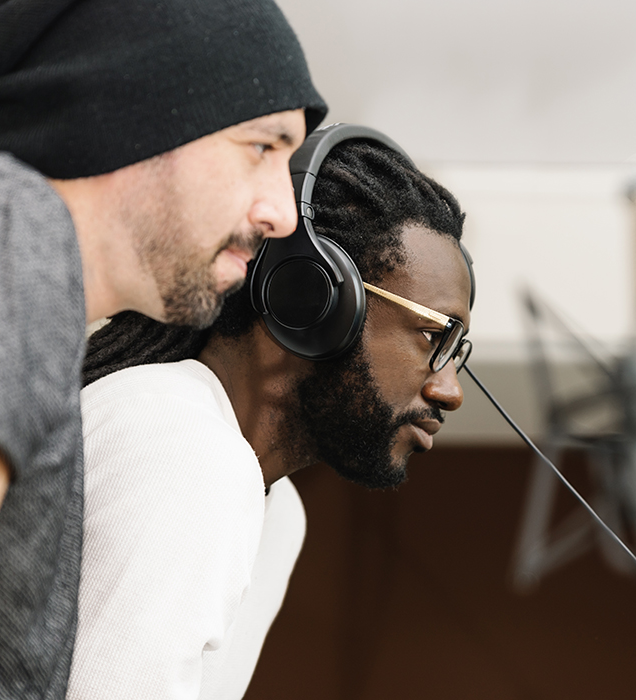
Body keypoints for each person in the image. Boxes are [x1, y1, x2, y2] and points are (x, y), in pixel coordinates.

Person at [0, 1, 326, 697]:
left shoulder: (18, 267)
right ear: (137, 110)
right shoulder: (6, 232)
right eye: (261, 146)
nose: (282, 212)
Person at [72, 132, 474, 699]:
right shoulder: (178, 442)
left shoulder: (276, 510)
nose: (449, 390)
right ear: (310, 299)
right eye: (434, 335)